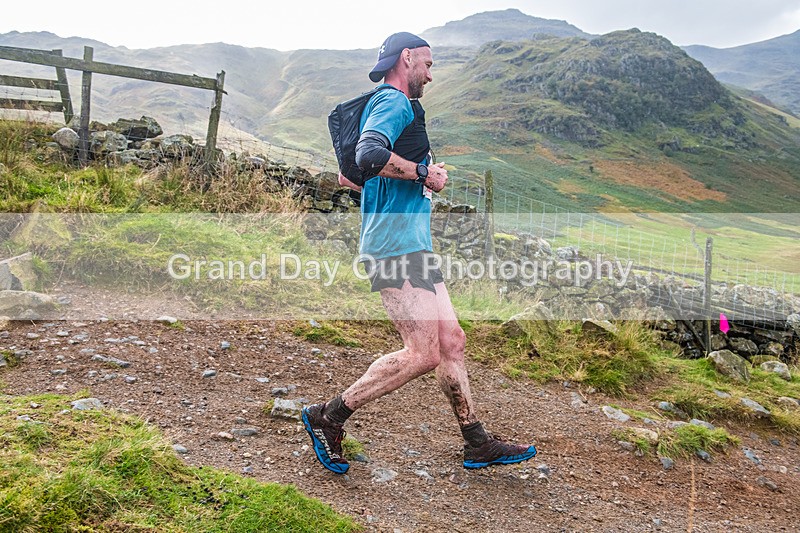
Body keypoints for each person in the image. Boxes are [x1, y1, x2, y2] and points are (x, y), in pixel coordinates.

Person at [302, 32, 537, 474]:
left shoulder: (393, 108)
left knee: (451, 342)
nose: (431, 73)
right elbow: (369, 154)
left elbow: (350, 177)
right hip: (393, 247)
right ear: (406, 58)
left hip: (411, 244)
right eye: (427, 64)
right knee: (422, 352)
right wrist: (425, 173)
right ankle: (327, 416)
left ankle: (477, 441)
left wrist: (409, 176)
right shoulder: (394, 102)